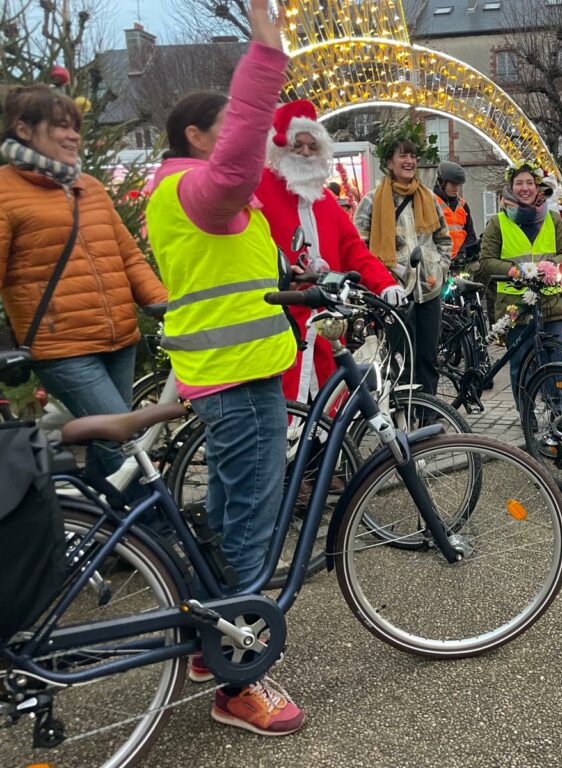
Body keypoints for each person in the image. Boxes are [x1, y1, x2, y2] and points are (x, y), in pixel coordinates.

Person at [144, 3, 305, 736]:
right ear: (195, 137)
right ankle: (239, 679)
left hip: (247, 368)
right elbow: (238, 164)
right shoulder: (190, 190)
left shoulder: (203, 206)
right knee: (250, 521)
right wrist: (264, 60)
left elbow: (247, 268)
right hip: (236, 379)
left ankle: (213, 647)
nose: (250, 147)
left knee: (237, 511)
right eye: (230, 132)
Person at [0, 84, 167, 486]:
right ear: (23, 129)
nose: (74, 135)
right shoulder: (5, 191)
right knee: (125, 441)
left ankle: (96, 534)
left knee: (105, 442)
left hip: (119, 339)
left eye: (76, 126)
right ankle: (149, 533)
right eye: (61, 126)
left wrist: (162, 302)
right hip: (61, 347)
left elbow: (126, 255)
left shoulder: (87, 187)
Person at [256, 99, 403, 404]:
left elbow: (354, 250)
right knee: (285, 416)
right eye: (299, 145)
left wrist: (385, 284)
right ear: (281, 148)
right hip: (278, 325)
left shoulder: (324, 200)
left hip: (324, 327)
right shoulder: (259, 191)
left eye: (313, 146)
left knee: (325, 413)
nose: (307, 152)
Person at [353, 122, 452, 396]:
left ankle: (427, 416)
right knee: (400, 360)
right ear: (389, 162)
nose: (409, 161)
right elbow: (358, 247)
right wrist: (380, 284)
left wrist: (440, 268)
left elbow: (444, 239)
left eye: (412, 156)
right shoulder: (372, 201)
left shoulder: (429, 198)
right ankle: (402, 418)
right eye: (402, 156)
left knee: (428, 359)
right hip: (394, 293)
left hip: (428, 289)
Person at [477, 162, 562, 402]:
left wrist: (549, 267)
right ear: (511, 187)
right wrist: (516, 271)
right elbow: (486, 261)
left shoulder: (554, 219)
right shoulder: (498, 222)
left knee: (557, 362)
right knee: (521, 366)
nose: (525, 188)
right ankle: (529, 420)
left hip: (552, 304)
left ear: (537, 186)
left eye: (529, 183)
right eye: (519, 183)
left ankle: (557, 414)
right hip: (515, 307)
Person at [433, 160, 480, 270]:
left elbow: (471, 235)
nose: (456, 188)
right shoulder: (431, 203)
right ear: (441, 182)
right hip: (439, 263)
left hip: (461, 262)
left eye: (458, 184)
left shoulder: (462, 205)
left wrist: (462, 252)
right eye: (453, 184)